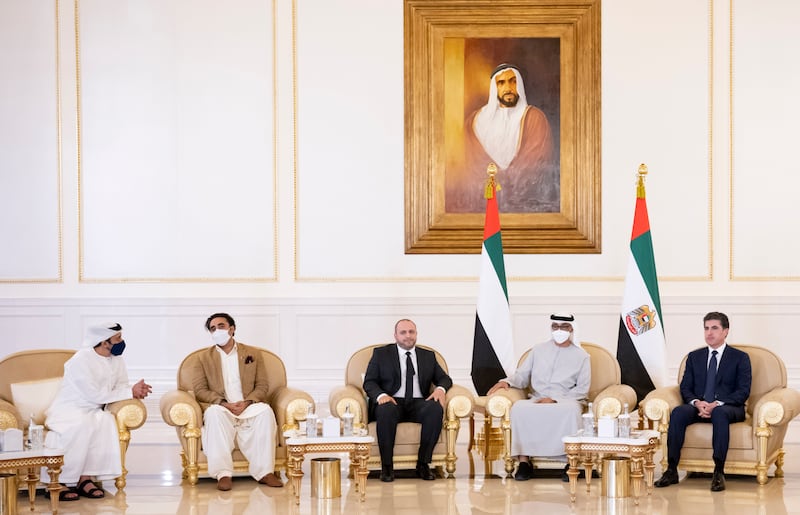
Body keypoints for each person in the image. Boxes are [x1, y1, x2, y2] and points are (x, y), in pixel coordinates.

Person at [44, 323, 152, 501]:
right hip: (70, 409)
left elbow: (121, 385)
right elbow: (92, 394)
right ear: (103, 341)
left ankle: (84, 479)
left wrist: (134, 391)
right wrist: (129, 391)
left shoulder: (117, 360)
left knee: (105, 421)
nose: (122, 342)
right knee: (81, 424)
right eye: (118, 338)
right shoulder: (80, 360)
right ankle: (58, 481)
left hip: (94, 409)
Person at [654, 312, 751, 492]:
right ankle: (671, 469)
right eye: (706, 328)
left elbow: (743, 391)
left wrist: (717, 404)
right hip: (699, 406)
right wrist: (697, 402)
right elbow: (685, 388)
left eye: (714, 328)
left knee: (720, 413)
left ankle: (718, 472)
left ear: (725, 331)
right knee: (678, 412)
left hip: (728, 407)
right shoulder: (694, 357)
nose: (709, 333)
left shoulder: (740, 357)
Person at [487, 313, 590, 481]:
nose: (559, 330)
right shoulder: (538, 350)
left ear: (571, 329)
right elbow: (522, 376)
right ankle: (524, 463)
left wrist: (556, 400)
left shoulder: (582, 356)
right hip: (538, 397)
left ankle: (570, 464)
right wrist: (506, 382)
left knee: (571, 411)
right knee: (519, 408)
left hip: (567, 400)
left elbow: (583, 389)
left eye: (563, 327)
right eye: (555, 326)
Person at [446, 63, 558, 213]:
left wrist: (503, 187)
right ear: (495, 88)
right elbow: (469, 168)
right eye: (501, 83)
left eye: (513, 81)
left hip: (523, 209)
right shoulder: (475, 122)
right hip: (481, 209)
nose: (508, 88)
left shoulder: (535, 119)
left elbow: (534, 166)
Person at [192, 313, 283, 491]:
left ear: (232, 329)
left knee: (265, 412)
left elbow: (262, 385)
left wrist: (248, 401)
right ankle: (223, 474)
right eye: (212, 328)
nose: (217, 330)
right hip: (222, 408)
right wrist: (223, 403)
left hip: (248, 406)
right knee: (212, 413)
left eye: (221, 326)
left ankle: (265, 472)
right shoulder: (203, 358)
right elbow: (200, 390)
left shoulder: (253, 353)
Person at [363, 319, 453, 482]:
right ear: (395, 335)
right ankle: (387, 467)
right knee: (385, 409)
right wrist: (381, 396)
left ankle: (423, 464)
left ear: (416, 334)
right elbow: (369, 382)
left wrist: (440, 389)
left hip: (419, 402)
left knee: (435, 409)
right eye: (403, 332)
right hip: (392, 401)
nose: (408, 336)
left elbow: (444, 379)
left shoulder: (428, 356)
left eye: (411, 332)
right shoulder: (381, 354)